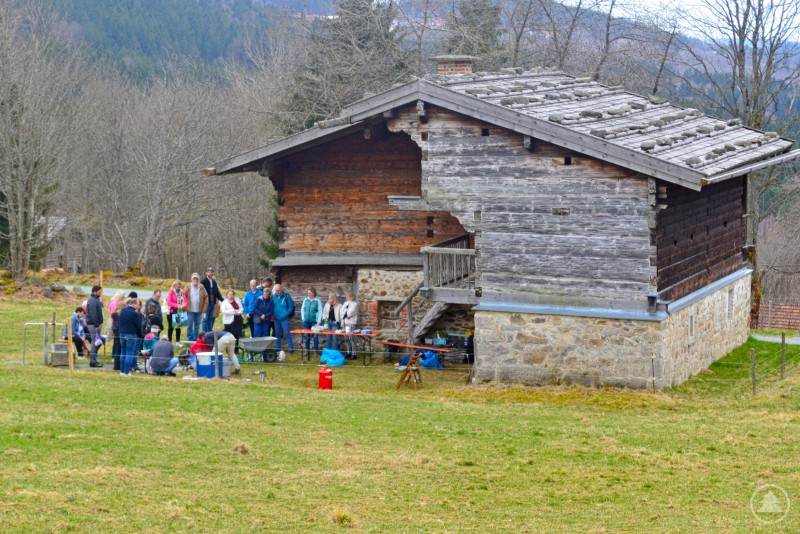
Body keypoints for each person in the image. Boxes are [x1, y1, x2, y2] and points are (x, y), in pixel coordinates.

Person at [118, 298, 145, 376]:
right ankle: (126, 371)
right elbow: (139, 325)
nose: (139, 306)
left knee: (123, 352)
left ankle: (122, 371)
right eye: (138, 304)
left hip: (122, 333)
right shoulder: (134, 313)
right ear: (134, 304)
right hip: (131, 334)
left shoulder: (123, 310)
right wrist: (141, 334)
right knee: (129, 353)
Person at [84, 285, 104, 368]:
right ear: (94, 292)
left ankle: (93, 359)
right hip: (94, 324)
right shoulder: (92, 300)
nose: (100, 293)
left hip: (96, 323)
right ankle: (92, 361)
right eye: (99, 292)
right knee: (95, 342)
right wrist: (96, 324)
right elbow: (93, 313)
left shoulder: (96, 299)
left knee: (97, 342)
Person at [184, 273, 208, 342]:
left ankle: (195, 338)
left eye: (196, 279)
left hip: (199, 310)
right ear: (191, 279)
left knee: (197, 325)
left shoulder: (202, 287)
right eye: (194, 278)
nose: (195, 280)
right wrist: (185, 306)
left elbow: (206, 298)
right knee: (190, 324)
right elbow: (183, 296)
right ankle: (190, 338)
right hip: (190, 309)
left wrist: (204, 309)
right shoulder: (188, 287)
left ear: (198, 279)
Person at [272, 283, 295, 354]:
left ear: (281, 289)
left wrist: (285, 314)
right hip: (276, 319)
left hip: (284, 318)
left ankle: (291, 349)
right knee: (277, 333)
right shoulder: (274, 297)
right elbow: (272, 306)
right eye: (276, 291)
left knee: (287, 333)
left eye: (278, 290)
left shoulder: (286, 296)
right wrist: (273, 315)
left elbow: (291, 307)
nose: (277, 292)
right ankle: (277, 348)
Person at [201, 267, 223, 333]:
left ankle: (209, 333)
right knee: (205, 319)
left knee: (210, 319)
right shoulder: (203, 282)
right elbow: (201, 293)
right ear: (206, 273)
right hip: (206, 304)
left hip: (212, 303)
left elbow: (217, 293)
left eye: (211, 272)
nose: (210, 273)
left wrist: (222, 300)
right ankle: (205, 333)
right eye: (209, 272)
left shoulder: (214, 282)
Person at [301, 287, 323, 352]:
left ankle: (315, 350)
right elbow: (302, 309)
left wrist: (318, 322)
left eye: (310, 293)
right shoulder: (305, 300)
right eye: (308, 293)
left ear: (314, 293)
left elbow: (320, 311)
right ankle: (306, 350)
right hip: (306, 321)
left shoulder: (317, 301)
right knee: (306, 336)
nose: (309, 294)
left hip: (314, 322)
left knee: (315, 336)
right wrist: (303, 318)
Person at [166, 280, 187, 344]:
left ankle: (178, 341)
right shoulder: (171, 292)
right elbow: (169, 301)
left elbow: (186, 301)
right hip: (171, 311)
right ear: (174, 286)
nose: (179, 288)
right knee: (171, 327)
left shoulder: (182, 292)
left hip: (179, 311)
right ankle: (170, 341)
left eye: (180, 286)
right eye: (177, 286)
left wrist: (184, 305)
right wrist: (176, 305)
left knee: (178, 327)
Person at [340, 291, 359, 359]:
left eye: (349, 296)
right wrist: (344, 315)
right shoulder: (345, 303)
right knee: (346, 339)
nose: (347, 297)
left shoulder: (355, 304)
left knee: (351, 339)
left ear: (352, 297)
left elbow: (351, 312)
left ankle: (354, 354)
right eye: (347, 296)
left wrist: (346, 314)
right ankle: (348, 352)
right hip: (345, 322)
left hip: (351, 323)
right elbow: (341, 311)